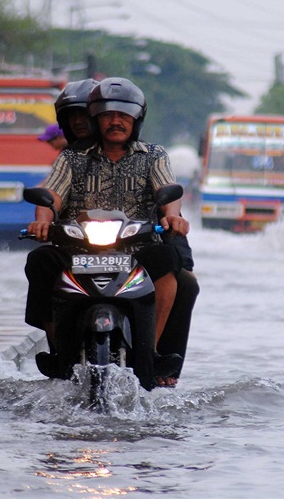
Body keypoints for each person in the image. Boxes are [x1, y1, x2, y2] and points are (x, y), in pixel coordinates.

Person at [24, 77, 194, 390]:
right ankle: (58, 350)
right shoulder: (72, 158)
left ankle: (151, 354)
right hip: (77, 252)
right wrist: (42, 220)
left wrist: (173, 218)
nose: (115, 122)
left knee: (167, 258)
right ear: (94, 119)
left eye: (123, 116)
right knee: (39, 261)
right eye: (107, 115)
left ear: (136, 120)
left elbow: (168, 194)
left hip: (136, 252)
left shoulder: (154, 156)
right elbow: (52, 195)